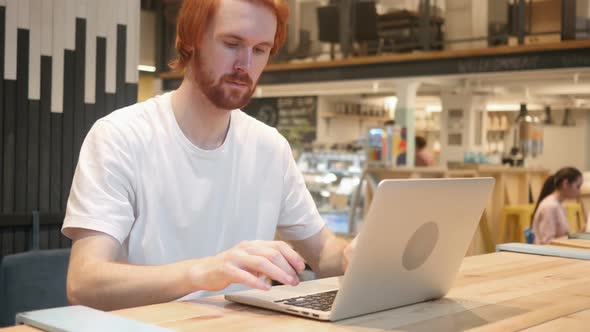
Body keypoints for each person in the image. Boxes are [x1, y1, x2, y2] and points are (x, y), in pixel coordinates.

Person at [63, 0, 356, 311]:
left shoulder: (270, 147)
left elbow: (324, 256)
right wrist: (201, 272)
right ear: (190, 41)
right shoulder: (121, 136)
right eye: (232, 44)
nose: (245, 64)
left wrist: (358, 255)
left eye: (260, 50)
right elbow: (84, 284)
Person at [531, 167, 583, 244]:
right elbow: (547, 242)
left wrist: (580, 234)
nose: (580, 191)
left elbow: (561, 235)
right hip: (547, 253)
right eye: (578, 186)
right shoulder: (549, 206)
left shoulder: (559, 205)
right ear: (565, 184)